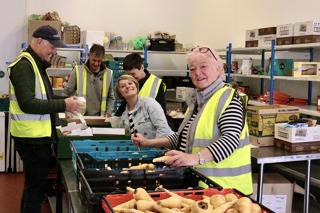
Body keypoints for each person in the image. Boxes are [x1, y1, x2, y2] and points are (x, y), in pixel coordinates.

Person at [131, 46, 253, 195]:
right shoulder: (198, 101)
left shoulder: (228, 98)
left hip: (227, 192)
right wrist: (149, 143)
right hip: (203, 188)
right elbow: (184, 137)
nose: (197, 73)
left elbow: (230, 140)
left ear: (218, 69)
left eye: (203, 67)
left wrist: (193, 158)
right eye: (193, 69)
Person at [8, 25, 84, 213]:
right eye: (52, 46)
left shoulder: (37, 64)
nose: (54, 51)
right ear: (39, 41)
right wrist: (63, 105)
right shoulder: (24, 65)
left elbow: (45, 98)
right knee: (36, 191)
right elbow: (29, 104)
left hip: (36, 137)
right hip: (30, 138)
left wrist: (67, 102)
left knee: (33, 188)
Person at [62, 43, 115, 117]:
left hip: (100, 119)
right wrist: (65, 110)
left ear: (103, 58)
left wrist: (108, 112)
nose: (96, 64)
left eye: (99, 61)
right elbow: (66, 92)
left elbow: (111, 97)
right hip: (79, 118)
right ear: (89, 55)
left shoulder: (109, 73)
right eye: (94, 60)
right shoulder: (77, 70)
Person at [115, 74, 173, 138]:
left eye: (130, 83)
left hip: (160, 146)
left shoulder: (149, 103)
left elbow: (163, 129)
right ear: (120, 94)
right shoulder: (124, 116)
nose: (128, 86)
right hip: (142, 147)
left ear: (136, 86)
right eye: (123, 86)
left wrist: (155, 146)